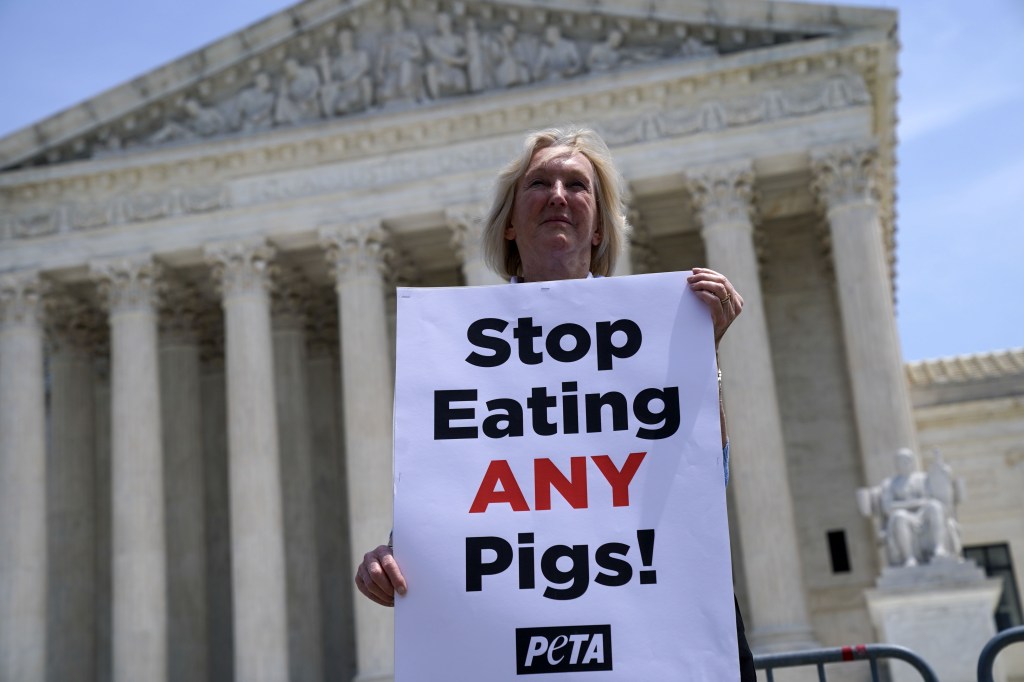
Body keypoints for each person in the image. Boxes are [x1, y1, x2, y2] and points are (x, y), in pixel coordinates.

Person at [354, 127, 756, 680]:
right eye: (539, 183)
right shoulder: (456, 347)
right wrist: (391, 559)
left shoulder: (657, 332)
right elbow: (459, 493)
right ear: (512, 223)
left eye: (578, 185)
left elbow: (702, 482)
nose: (559, 195)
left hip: (651, 638)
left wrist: (698, 358)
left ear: (597, 229)